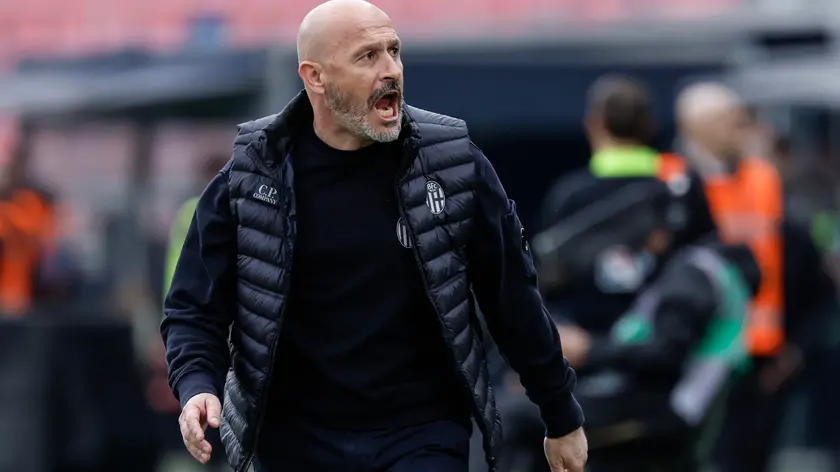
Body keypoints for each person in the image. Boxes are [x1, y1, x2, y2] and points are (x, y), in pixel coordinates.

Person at [161, 1, 588, 472]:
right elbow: (193, 307)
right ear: (315, 77)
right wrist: (196, 385)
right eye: (367, 56)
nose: (390, 70)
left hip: (421, 434)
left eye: (394, 51)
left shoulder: (451, 164)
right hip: (292, 440)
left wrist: (560, 413)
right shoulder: (251, 176)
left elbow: (512, 296)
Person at [534, 178, 761, 472]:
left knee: (523, 416)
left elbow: (663, 353)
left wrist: (589, 349)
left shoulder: (692, 278)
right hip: (659, 400)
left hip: (666, 410)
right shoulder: (698, 269)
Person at [674, 81, 837, 472]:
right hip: (690, 356)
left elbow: (811, 281)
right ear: (697, 127)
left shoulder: (765, 186)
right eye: (730, 120)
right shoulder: (676, 187)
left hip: (758, 360)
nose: (742, 128)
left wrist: (796, 350)